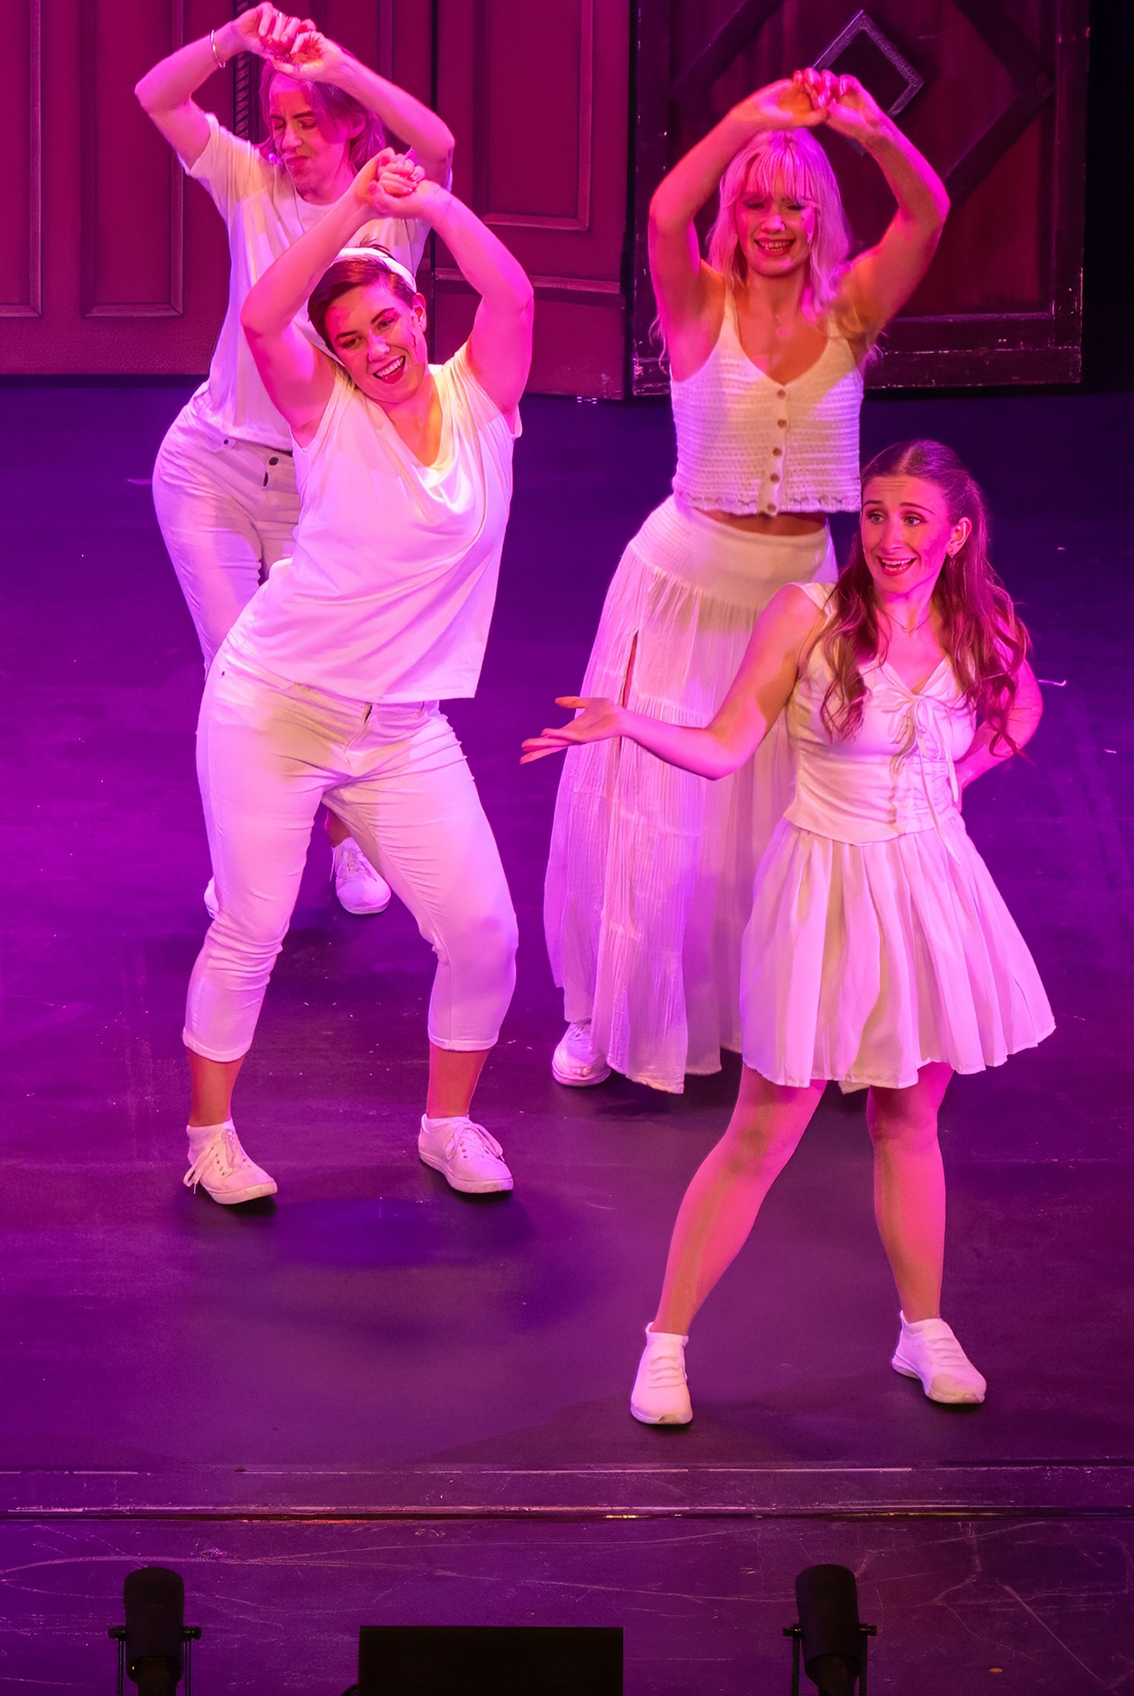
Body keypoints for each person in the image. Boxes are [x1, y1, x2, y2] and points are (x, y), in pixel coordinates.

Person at [525, 442, 1048, 1424]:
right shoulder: (809, 615)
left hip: (930, 885)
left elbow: (1021, 706)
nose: (888, 536)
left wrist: (954, 781)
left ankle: (923, 1326)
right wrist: (629, 723)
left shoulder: (981, 621)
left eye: (913, 518)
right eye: (876, 513)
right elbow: (727, 746)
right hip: (826, 884)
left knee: (910, 1119)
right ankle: (666, 1342)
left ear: (955, 535)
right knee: (765, 1128)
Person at [542, 72, 948, 1094]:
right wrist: (749, 122)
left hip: (800, 599)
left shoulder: (851, 307)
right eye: (757, 203)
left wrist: (869, 126)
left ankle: (791, 1014)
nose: (774, 223)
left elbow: (928, 211)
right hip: (684, 585)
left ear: (820, 220)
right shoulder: (698, 302)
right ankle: (610, 1007)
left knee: (789, 820)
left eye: (795, 206)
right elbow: (662, 211)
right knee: (658, 814)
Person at [180, 147, 536, 1207]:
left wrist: (432, 202)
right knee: (253, 924)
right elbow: (263, 316)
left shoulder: (483, 399)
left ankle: (448, 1126)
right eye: (351, 340)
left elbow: (514, 294)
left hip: (401, 726)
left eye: (388, 323)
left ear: (421, 312)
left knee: (484, 933)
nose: (376, 349)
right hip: (275, 709)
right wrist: (348, 210)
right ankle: (209, 1141)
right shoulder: (324, 413)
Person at [134, 4, 452, 922]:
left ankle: (344, 836)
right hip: (214, 472)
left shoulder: (390, 203)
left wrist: (340, 67)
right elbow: (156, 96)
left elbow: (439, 144)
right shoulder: (249, 180)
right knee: (238, 678)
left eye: (309, 121)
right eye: (278, 121)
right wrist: (233, 41)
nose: (289, 140)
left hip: (328, 491)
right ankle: (246, 868)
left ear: (349, 125)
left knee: (337, 677)